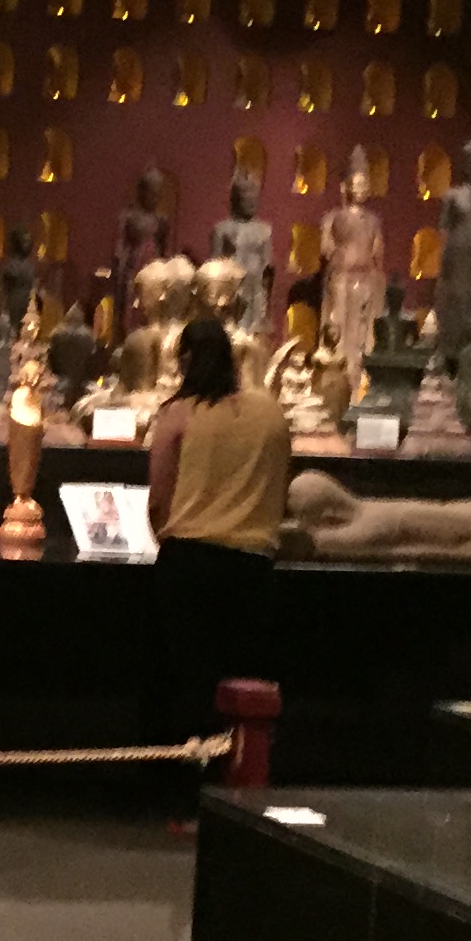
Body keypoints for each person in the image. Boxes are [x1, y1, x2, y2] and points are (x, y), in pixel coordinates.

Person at [144, 314, 292, 745]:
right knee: (243, 685)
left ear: (186, 360)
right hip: (253, 566)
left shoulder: (178, 414)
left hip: (190, 562)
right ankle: (240, 774)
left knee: (189, 681)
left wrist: (166, 539)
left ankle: (184, 775)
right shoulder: (271, 412)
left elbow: (158, 499)